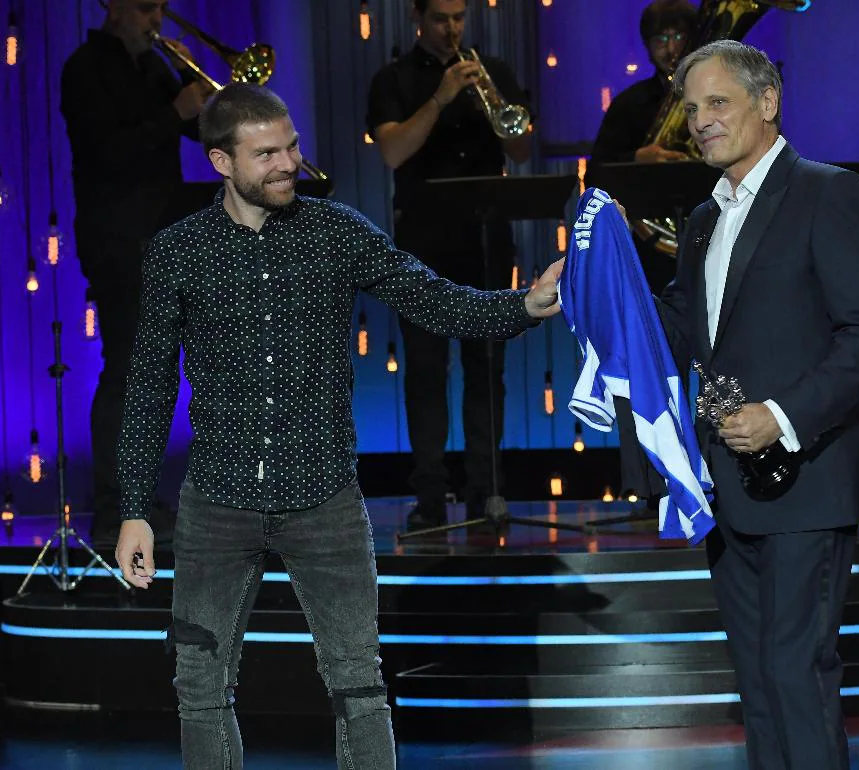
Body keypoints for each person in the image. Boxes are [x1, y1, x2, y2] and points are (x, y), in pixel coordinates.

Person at [113, 83, 564, 770]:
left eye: (290, 146)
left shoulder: (336, 231)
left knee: (359, 685)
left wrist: (523, 306)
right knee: (200, 688)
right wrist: (135, 509)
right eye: (265, 154)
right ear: (221, 163)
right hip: (218, 499)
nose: (287, 163)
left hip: (322, 496)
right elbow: (148, 383)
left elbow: (434, 301)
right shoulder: (179, 251)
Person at [653, 41, 859, 768]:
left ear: (768, 101)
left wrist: (781, 417)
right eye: (691, 109)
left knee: (795, 672)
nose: (699, 121)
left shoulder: (829, 191)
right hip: (729, 487)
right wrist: (591, 291)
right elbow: (681, 327)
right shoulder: (701, 220)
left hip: (810, 480)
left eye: (717, 102)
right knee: (758, 681)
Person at [365, 0, 534, 531]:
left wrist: (490, 102)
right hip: (422, 247)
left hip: (486, 242)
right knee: (425, 371)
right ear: (419, 17)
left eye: (459, 17)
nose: (452, 28)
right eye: (441, 18)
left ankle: (487, 490)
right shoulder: (394, 78)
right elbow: (393, 151)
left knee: (488, 371)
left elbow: (524, 148)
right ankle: (430, 495)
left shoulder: (494, 71)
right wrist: (441, 97)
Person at [60, 0, 208, 547]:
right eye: (146, 8)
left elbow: (200, 134)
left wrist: (204, 95)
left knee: (154, 374)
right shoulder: (85, 69)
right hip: (117, 239)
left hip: (163, 235)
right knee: (125, 370)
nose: (156, 21)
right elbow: (107, 152)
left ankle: (141, 499)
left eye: (161, 9)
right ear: (114, 7)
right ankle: (114, 507)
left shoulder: (152, 66)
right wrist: (175, 110)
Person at [589, 0, 697, 295]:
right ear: (647, 46)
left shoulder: (715, 100)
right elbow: (595, 173)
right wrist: (638, 158)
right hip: (650, 246)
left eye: (678, 37)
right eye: (661, 39)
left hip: (710, 236)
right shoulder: (629, 104)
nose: (671, 48)